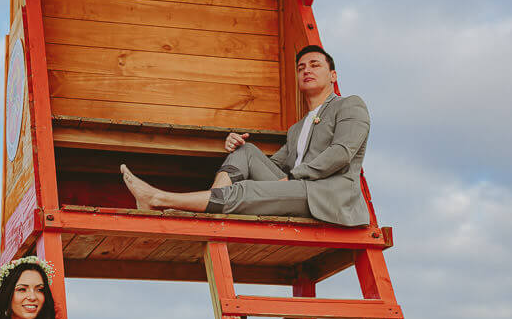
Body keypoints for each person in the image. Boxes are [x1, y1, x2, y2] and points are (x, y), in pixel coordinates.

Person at [120, 44, 371, 227]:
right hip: (297, 189)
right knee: (246, 150)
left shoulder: (350, 105)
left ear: (333, 75)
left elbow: (342, 153)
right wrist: (235, 143)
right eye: (301, 67)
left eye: (315, 65)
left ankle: (158, 198)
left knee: (248, 190)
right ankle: (211, 207)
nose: (307, 70)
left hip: (326, 197)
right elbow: (274, 167)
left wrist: (295, 176)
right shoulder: (296, 129)